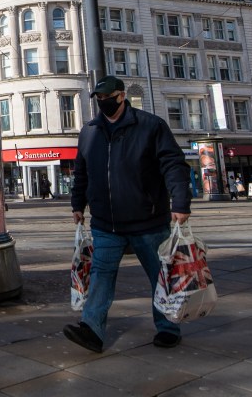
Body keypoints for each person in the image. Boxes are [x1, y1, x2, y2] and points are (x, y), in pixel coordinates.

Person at [64, 76, 191, 354]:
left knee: (159, 276)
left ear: (121, 96)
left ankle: (169, 327)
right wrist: (77, 204)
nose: (102, 102)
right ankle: (92, 329)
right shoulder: (89, 132)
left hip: (148, 221)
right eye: (98, 98)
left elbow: (173, 165)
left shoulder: (150, 126)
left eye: (106, 97)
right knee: (100, 275)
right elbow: (82, 172)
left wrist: (180, 202)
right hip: (106, 223)